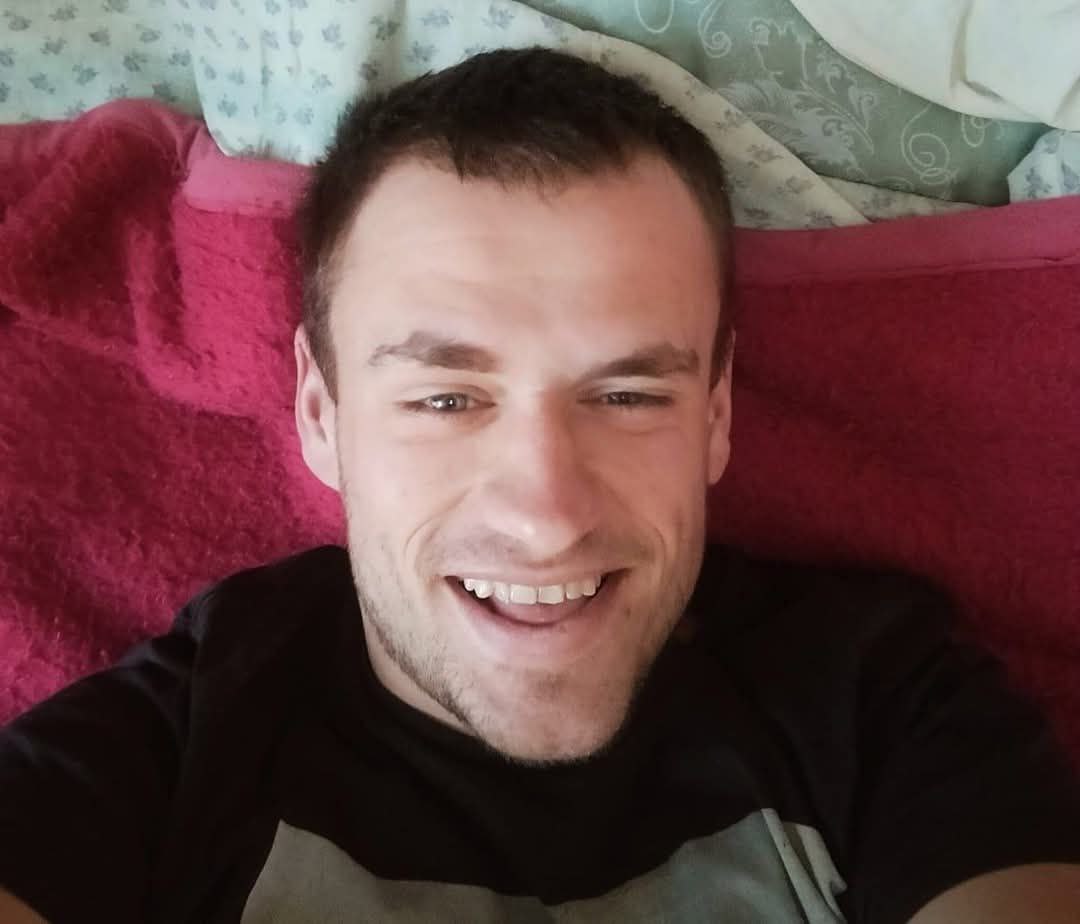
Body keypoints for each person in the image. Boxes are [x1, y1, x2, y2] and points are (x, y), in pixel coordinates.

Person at [2, 46, 1079, 924]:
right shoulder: (173, 749)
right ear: (321, 416)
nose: (547, 516)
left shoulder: (885, 704)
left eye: (627, 396)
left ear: (715, 416)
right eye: (445, 399)